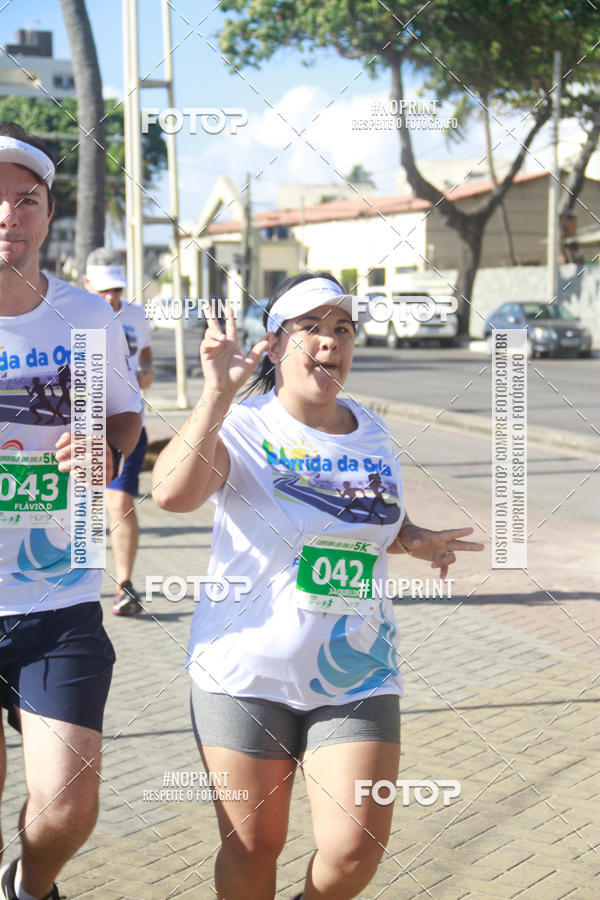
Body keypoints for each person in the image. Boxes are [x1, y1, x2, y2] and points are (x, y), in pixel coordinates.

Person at [152, 273, 483, 900]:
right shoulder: (245, 428)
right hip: (245, 670)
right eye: (311, 329)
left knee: (356, 848)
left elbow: (369, 522)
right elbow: (171, 493)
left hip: (357, 665)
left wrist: (412, 539)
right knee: (253, 845)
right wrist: (215, 396)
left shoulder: (373, 430)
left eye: (342, 329)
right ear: (275, 347)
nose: (330, 342)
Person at [0, 122, 142, 900]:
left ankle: (28, 887)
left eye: (25, 200)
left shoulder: (87, 318)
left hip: (58, 596)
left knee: (67, 803)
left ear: (47, 214)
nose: (7, 217)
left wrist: (105, 451)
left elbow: (125, 414)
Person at [83, 248, 154, 616]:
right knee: (84, 508)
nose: (112, 297)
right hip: (77, 428)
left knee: (119, 503)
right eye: (103, 290)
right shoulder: (69, 312)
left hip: (126, 423)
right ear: (86, 284)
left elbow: (146, 357)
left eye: (117, 289)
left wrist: (145, 373)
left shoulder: (136, 315)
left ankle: (124, 585)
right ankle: (75, 584)